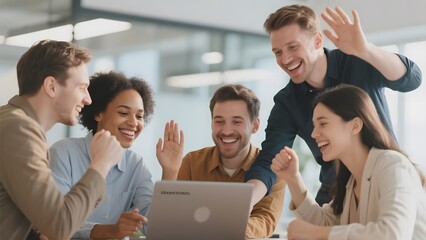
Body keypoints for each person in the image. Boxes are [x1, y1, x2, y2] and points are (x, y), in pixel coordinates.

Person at [244, 4, 422, 207]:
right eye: (277, 52)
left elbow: (412, 79)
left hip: (385, 182)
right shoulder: (287, 102)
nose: (285, 59)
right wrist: (244, 203)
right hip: (335, 195)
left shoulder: (357, 61)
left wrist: (366, 50)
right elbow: (269, 160)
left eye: (293, 47)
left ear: (318, 40)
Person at [0, 40, 124, 239]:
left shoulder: (11, 121)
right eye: (82, 88)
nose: (88, 99)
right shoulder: (20, 129)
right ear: (51, 86)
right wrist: (101, 164)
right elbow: (59, 225)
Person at [271, 84, 426, 240]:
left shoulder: (393, 166)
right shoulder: (351, 181)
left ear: (355, 125)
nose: (313, 133)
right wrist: (293, 179)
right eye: (314, 125)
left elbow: (392, 234)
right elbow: (324, 224)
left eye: (323, 123)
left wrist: (315, 234)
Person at [49, 71, 184, 239]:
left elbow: (155, 228)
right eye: (123, 113)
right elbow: (54, 221)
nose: (134, 123)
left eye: (140, 116)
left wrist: (170, 171)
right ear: (99, 113)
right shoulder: (63, 153)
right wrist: (111, 231)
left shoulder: (135, 164)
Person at [176, 84, 286, 238]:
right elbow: (175, 218)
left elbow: (263, 222)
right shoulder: (191, 163)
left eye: (237, 122)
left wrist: (221, 227)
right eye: (219, 121)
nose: (227, 131)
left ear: (255, 125)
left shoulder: (274, 170)